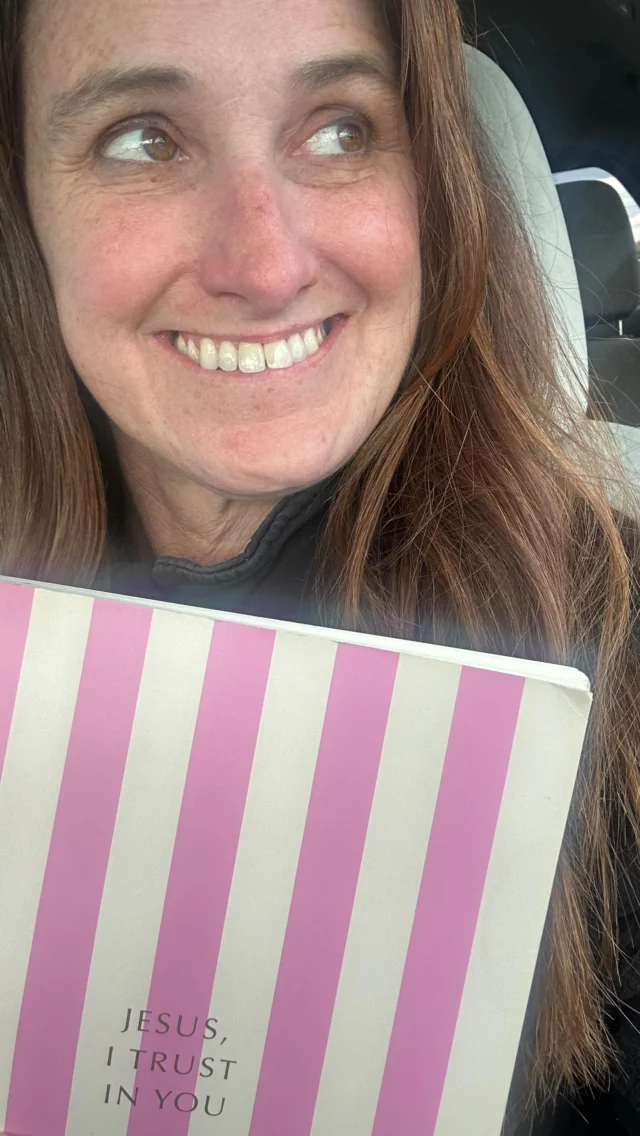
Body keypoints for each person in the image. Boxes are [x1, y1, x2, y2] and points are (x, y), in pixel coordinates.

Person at [0, 0, 639, 1130]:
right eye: (144, 138)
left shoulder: (621, 648)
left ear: (432, 183)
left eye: (340, 129)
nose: (265, 263)